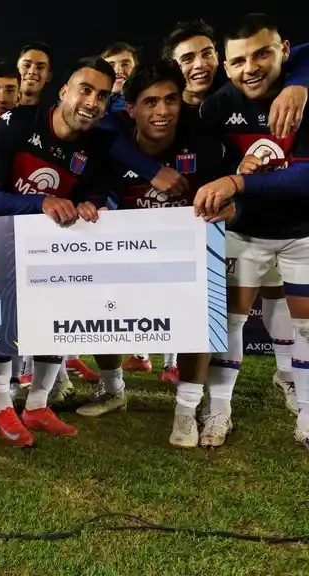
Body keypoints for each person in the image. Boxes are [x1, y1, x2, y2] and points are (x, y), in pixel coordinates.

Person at [0, 56, 120, 445]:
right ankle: (4, 406)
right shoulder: (17, 123)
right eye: (85, 90)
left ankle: (37, 405)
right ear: (63, 92)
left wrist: (91, 206)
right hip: (3, 241)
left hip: (52, 251)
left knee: (58, 321)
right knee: (1, 325)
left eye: (102, 96)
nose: (92, 102)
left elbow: (92, 197)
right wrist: (40, 202)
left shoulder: (99, 145)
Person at [162, 18, 309, 409]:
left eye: (206, 54)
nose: (200, 65)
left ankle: (293, 389)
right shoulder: (198, 108)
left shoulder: (283, 86)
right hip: (240, 226)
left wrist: (299, 83)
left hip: (293, 228)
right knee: (225, 314)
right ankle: (210, 405)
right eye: (187, 58)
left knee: (291, 309)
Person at [110, 59, 236, 444]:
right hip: (130, 256)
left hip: (186, 255)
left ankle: (185, 410)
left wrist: (232, 203)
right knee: (94, 295)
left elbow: (232, 189)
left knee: (203, 303)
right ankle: (110, 386)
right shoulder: (111, 142)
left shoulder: (201, 141)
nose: (162, 111)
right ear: (130, 109)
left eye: (170, 100)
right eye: (150, 102)